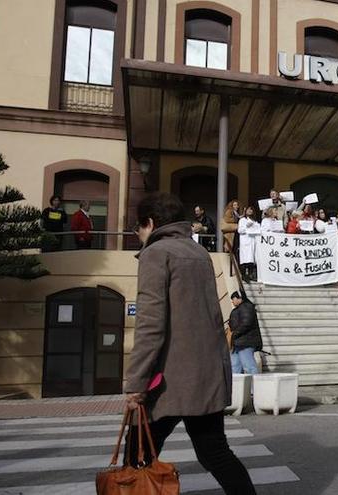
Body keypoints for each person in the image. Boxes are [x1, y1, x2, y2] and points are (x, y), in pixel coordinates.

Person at [125, 192, 256, 494]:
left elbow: (150, 324)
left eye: (138, 227)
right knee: (215, 454)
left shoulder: (156, 254)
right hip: (206, 375)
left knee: (137, 455)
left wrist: (136, 382)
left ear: (150, 223)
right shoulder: (199, 254)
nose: (138, 234)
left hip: (168, 379)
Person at [228, 292, 262, 375]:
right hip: (238, 343)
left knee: (249, 367)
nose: (232, 302)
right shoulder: (240, 308)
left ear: (239, 298)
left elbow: (247, 323)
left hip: (245, 342)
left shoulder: (246, 307)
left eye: (233, 299)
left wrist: (234, 334)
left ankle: (255, 386)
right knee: (234, 368)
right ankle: (237, 387)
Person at [237, 206, 261, 282]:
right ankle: (244, 275)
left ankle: (251, 275)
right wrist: (247, 226)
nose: (250, 211)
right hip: (245, 241)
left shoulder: (255, 221)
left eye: (251, 209)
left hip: (253, 241)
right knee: (245, 259)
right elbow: (240, 230)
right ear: (245, 211)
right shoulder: (242, 220)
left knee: (252, 259)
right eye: (248, 209)